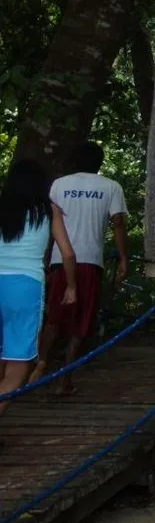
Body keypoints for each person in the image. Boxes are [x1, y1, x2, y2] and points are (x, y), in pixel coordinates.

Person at [32, 142, 127, 395]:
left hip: (59, 260)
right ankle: (64, 380)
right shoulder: (110, 186)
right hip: (90, 260)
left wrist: (44, 257)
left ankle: (40, 363)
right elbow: (118, 222)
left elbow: (47, 222)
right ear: (99, 163)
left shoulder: (58, 185)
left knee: (54, 316)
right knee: (81, 324)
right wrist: (123, 258)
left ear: (74, 161)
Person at [0, 160, 76, 418]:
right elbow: (67, 254)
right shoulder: (48, 210)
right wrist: (71, 287)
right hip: (25, 286)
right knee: (19, 365)